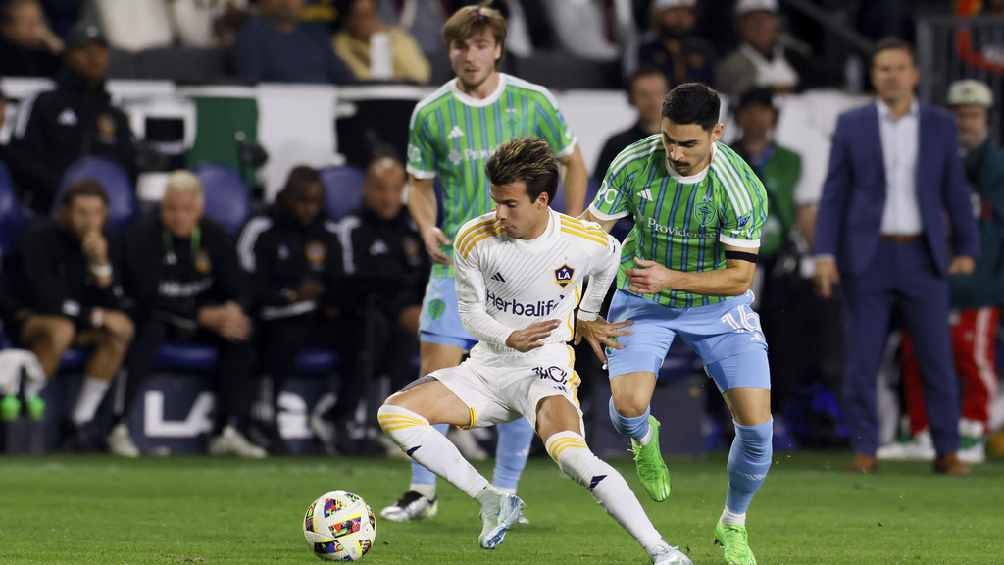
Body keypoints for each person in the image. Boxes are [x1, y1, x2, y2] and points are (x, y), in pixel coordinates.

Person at [378, 138, 691, 565]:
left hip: (544, 372)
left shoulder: (582, 239)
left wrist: (586, 313)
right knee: (393, 413)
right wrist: (509, 337)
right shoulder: (475, 238)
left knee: (571, 456)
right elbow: (470, 314)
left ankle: (662, 550)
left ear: (542, 200)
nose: (499, 215)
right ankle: (492, 499)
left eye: (510, 204)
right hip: (486, 370)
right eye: (495, 202)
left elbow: (610, 259)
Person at [381, 3, 589, 523]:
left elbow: (574, 162)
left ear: (497, 48)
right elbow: (419, 184)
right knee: (435, 370)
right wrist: (426, 224)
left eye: (479, 45)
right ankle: (421, 491)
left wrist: (571, 229)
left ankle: (506, 492)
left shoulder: (533, 101)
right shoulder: (430, 112)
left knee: (523, 376)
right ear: (448, 50)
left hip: (524, 269)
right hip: (456, 263)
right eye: (459, 46)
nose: (469, 55)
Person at [581, 82, 771, 565]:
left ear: (717, 133)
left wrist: (673, 276)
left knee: (756, 429)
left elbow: (739, 277)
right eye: (669, 140)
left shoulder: (741, 188)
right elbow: (590, 236)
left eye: (689, 143)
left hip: (717, 307)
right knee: (626, 408)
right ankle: (645, 438)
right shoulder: (632, 161)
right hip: (644, 297)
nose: (676, 153)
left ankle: (733, 524)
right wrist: (580, 310)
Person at [813, 39, 979, 476]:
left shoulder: (940, 125)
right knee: (862, 360)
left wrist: (967, 247)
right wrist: (825, 252)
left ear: (914, 75)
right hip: (868, 256)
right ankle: (866, 449)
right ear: (874, 75)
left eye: (899, 68)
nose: (891, 75)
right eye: (883, 68)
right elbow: (834, 193)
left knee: (936, 360)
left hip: (924, 257)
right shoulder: (852, 124)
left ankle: (947, 450)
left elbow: (955, 191)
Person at [888, 79, 1004, 465]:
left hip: (978, 283)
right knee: (917, 355)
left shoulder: (995, 166)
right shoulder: (928, 161)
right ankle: (921, 430)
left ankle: (974, 429)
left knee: (972, 357)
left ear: (986, 119)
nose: (965, 122)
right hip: (928, 278)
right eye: (958, 114)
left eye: (972, 115)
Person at [114, 171, 264, 458]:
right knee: (147, 332)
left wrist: (233, 309)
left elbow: (240, 285)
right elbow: (146, 295)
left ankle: (227, 430)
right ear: (162, 207)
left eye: (187, 210)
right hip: (157, 317)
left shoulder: (214, 235)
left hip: (200, 319)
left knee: (241, 333)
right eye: (171, 209)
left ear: (199, 209)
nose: (179, 217)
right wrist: (201, 314)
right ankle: (119, 425)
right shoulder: (142, 236)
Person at [4, 180, 133, 447]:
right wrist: (97, 317)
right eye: (81, 212)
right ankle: (23, 408)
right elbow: (47, 300)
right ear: (64, 212)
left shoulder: (108, 244)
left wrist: (101, 268)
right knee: (61, 329)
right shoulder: (40, 237)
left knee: (118, 334)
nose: (89, 221)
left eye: (96, 213)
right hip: (26, 318)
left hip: (78, 323)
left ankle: (79, 421)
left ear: (105, 215)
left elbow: (118, 306)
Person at [237, 165, 346, 453]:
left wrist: (326, 298)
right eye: (302, 200)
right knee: (283, 335)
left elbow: (341, 282)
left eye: (316, 202)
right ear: (285, 196)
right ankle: (264, 417)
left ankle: (339, 416)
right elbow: (248, 286)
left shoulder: (328, 232)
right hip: (273, 317)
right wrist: (290, 296)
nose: (309, 209)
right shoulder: (262, 229)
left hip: (318, 317)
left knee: (365, 331)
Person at [327, 155, 427, 441]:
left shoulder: (414, 228)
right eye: (381, 189)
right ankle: (343, 419)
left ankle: (436, 424)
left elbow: (427, 278)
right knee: (375, 329)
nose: (389, 197)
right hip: (357, 317)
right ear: (366, 190)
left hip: (407, 315)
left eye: (396, 189)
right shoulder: (349, 229)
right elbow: (346, 285)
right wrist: (400, 310)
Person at [6, 24, 136, 214]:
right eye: (85, 50)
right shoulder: (43, 103)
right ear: (68, 55)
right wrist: (64, 189)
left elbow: (128, 168)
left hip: (104, 216)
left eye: (100, 51)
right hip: (47, 213)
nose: (94, 58)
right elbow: (20, 159)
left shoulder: (116, 113)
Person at [714, 0, 816, 98]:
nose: (760, 25)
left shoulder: (794, 55)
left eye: (766, 18)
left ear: (777, 22)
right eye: (752, 18)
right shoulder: (730, 64)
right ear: (739, 25)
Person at [234, 0, 352, 84]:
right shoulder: (251, 35)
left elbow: (345, 78)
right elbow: (252, 86)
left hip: (329, 110)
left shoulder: (316, 34)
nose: (287, 2)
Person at [593, 67, 669, 184]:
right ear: (631, 99)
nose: (653, 101)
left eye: (658, 93)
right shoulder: (615, 146)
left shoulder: (687, 143)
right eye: (644, 94)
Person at [332, 0, 430, 84]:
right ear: (348, 20)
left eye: (371, 14)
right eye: (362, 16)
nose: (368, 22)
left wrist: (386, 38)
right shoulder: (342, 44)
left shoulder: (396, 37)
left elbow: (420, 74)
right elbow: (362, 79)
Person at [634, 0, 716, 88]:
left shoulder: (703, 48)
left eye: (687, 13)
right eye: (674, 12)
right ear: (658, 14)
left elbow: (712, 85)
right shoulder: (644, 48)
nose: (680, 19)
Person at [0, 0, 63, 77]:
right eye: (25, 20)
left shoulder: (48, 52)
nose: (34, 26)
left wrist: (56, 47)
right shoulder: (5, 54)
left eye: (38, 19)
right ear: (7, 28)